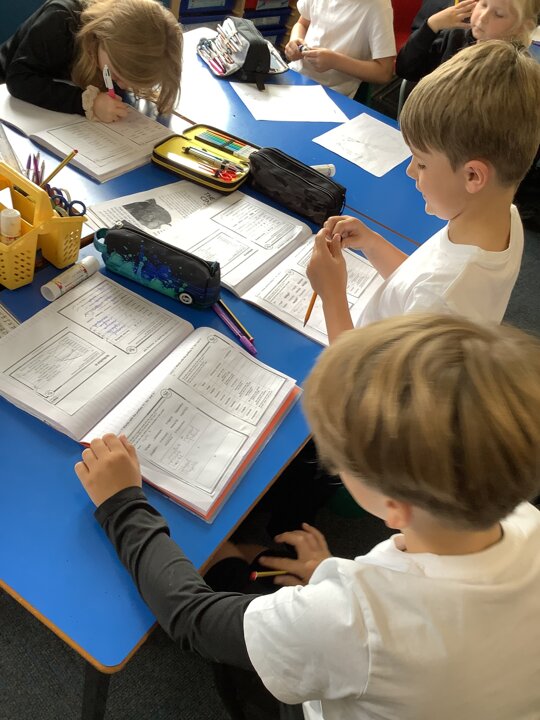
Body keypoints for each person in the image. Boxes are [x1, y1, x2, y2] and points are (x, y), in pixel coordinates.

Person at [76, 313, 540, 720]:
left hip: (335, 673)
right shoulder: (522, 518)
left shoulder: (353, 624)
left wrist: (123, 502)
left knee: (221, 562)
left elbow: (191, 618)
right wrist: (332, 574)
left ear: (395, 506)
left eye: (338, 458)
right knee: (255, 557)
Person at [306, 40, 540, 343]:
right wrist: (373, 243)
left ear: (472, 176)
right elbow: (416, 282)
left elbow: (356, 374)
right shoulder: (501, 218)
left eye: (422, 163)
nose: (410, 171)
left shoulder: (442, 300)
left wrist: (331, 294)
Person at [0, 0, 183, 123]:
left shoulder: (114, 50)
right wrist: (87, 103)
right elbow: (19, 79)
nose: (122, 86)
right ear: (101, 38)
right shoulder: (59, 20)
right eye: (117, 76)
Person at [396, 0, 540, 82]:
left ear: (522, 27)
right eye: (483, 4)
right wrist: (432, 25)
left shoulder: (518, 71)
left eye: (498, 14)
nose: (483, 17)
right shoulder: (456, 37)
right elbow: (405, 70)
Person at [284, 0, 396, 98]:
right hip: (296, 74)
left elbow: (384, 72)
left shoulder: (378, 6)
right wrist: (295, 40)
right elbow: (302, 23)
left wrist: (335, 61)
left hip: (333, 91)